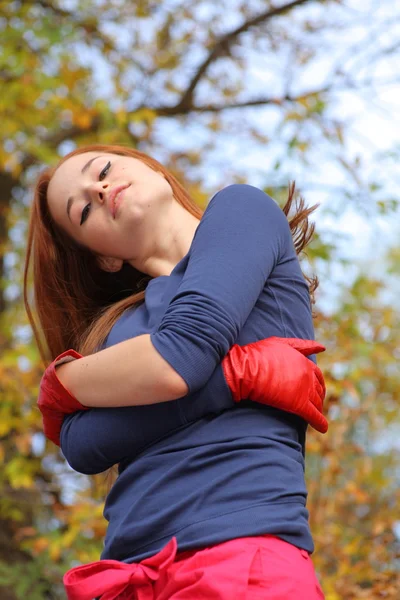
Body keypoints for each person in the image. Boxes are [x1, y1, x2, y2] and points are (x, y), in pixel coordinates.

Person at [24, 144, 327, 599]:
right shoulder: (116, 331)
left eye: (102, 170)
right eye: (83, 210)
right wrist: (236, 378)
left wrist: (68, 384)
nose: (100, 189)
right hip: (132, 573)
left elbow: (179, 356)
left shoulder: (241, 212)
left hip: (241, 559)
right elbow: (82, 443)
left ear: (149, 167)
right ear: (102, 258)